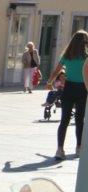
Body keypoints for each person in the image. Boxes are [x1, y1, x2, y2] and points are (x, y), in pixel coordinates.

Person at [46, 30, 87, 160]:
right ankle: (79, 148)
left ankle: (59, 149)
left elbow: (56, 70)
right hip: (83, 89)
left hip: (68, 89)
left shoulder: (67, 55)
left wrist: (49, 82)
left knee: (64, 120)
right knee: (80, 120)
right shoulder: (86, 57)